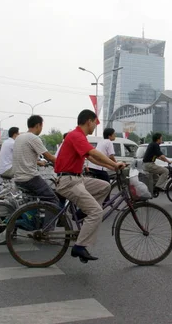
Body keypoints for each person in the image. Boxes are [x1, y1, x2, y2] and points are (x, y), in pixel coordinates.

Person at [55, 110, 125, 263]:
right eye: (95, 122)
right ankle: (80, 246)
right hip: (69, 181)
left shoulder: (79, 136)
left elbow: (92, 157)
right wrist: (114, 163)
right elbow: (93, 152)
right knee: (96, 212)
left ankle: (81, 213)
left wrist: (111, 167)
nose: (95, 125)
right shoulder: (76, 135)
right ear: (89, 121)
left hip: (76, 178)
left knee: (104, 186)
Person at [13, 116, 58, 204]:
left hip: (18, 178)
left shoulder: (19, 137)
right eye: (42, 126)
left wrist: (39, 162)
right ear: (38, 125)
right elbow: (48, 157)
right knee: (53, 200)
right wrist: (62, 164)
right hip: (30, 178)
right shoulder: (33, 138)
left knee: (36, 200)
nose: (41, 129)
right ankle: (52, 218)